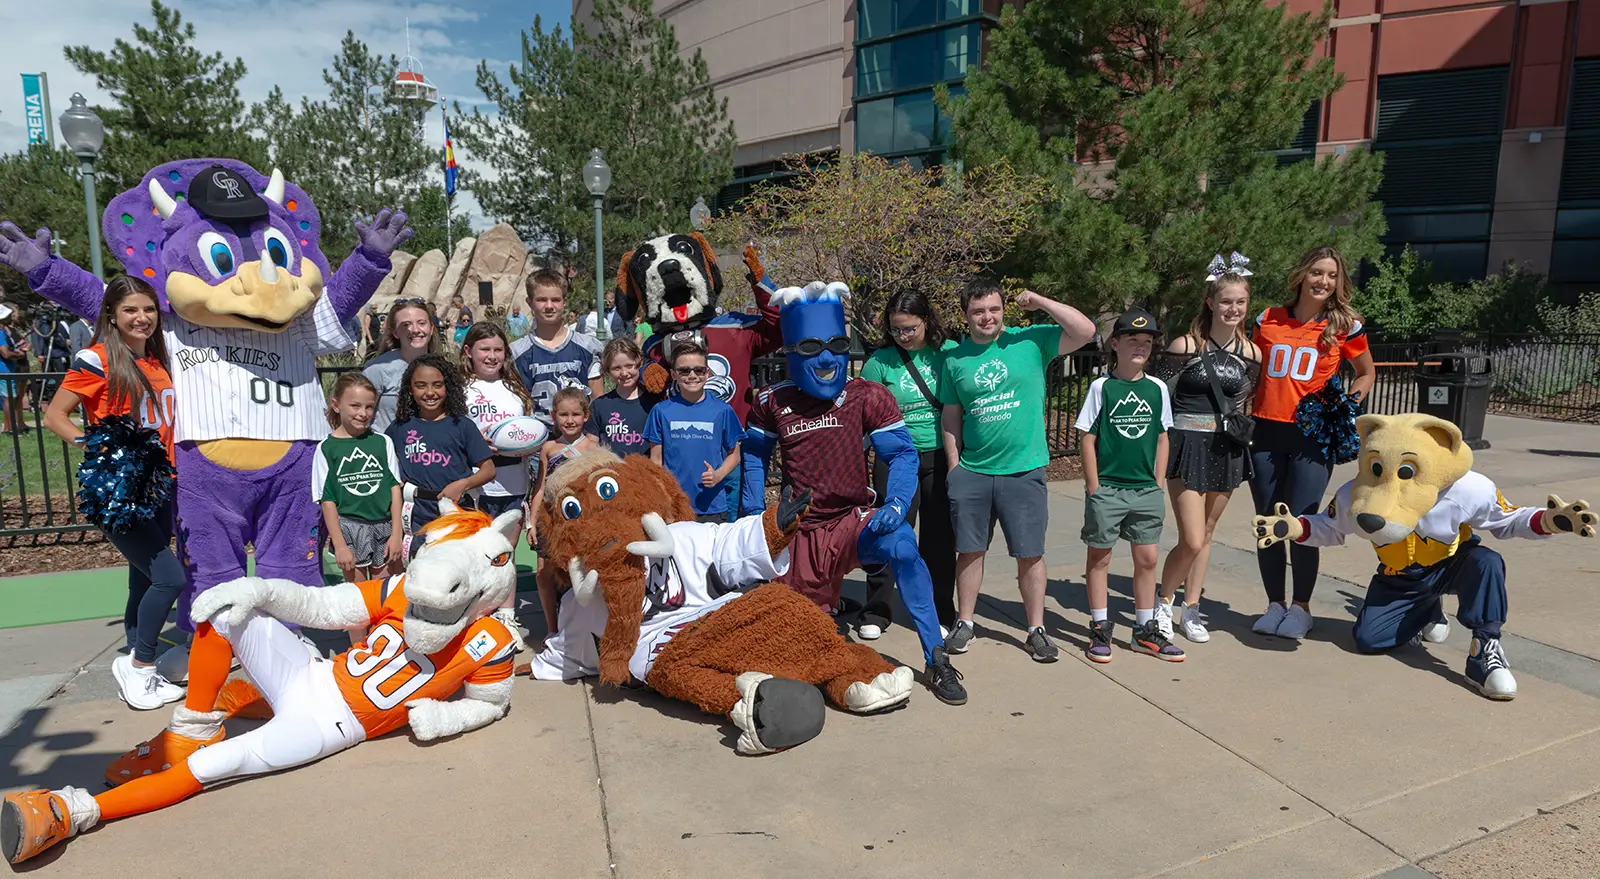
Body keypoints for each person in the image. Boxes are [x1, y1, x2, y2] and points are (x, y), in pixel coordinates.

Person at [741, 281, 966, 705]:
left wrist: (896, 502)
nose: (827, 358)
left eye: (838, 345)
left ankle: (937, 658)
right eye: (811, 347)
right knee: (800, 638)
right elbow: (753, 455)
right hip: (802, 530)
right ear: (790, 350)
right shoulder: (772, 400)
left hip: (852, 522)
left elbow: (901, 453)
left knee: (903, 547)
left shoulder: (866, 395)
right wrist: (756, 515)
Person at [42, 276, 184, 709]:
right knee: (170, 578)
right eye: (130, 310)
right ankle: (140, 665)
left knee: (144, 576)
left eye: (148, 309)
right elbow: (55, 415)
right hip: (122, 489)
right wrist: (99, 449)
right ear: (112, 314)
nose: (141, 318)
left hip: (161, 484)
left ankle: (138, 653)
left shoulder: (159, 360)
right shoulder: (97, 359)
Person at [938, 281, 1097, 662]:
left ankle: (1036, 629)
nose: (987, 317)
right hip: (974, 471)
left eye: (994, 309)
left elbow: (1086, 331)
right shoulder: (955, 359)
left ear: (1003, 310)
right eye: (978, 311)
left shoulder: (1031, 341)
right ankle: (965, 622)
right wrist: (954, 467)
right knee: (969, 551)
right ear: (966, 315)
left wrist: (1040, 301)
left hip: (1023, 470)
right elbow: (951, 415)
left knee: (1030, 553)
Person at [1248, 245, 1376, 639]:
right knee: (1268, 520)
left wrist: (1346, 406)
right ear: (1302, 274)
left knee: (1302, 521)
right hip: (1266, 431)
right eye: (1317, 272)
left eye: (1332, 275)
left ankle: (1301, 608)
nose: (1324, 281)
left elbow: (1366, 373)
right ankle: (1274, 604)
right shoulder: (1268, 318)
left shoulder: (1346, 325)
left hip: (1312, 437)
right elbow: (1250, 368)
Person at [1149, 255, 1262, 643]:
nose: (1234, 309)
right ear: (1211, 302)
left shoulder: (1252, 353)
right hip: (1186, 447)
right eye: (1226, 301)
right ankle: (1163, 602)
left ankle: (1191, 608)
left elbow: (1243, 398)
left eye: (1241, 302)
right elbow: (1158, 396)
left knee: (1208, 534)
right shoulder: (1185, 345)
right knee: (1192, 538)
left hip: (1226, 448)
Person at [1075, 309, 1182, 663]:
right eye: (1132, 340)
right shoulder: (1102, 387)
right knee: (1100, 557)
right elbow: (1087, 438)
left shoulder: (1157, 389)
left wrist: (1158, 482)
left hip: (1145, 490)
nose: (1140, 347)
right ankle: (1100, 626)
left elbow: (1163, 437)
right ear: (1115, 344)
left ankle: (1143, 629)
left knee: (1147, 558)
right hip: (1108, 488)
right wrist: (1094, 486)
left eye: (1147, 342)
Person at [856, 290, 957, 641]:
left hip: (939, 455)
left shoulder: (947, 353)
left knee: (939, 538)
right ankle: (876, 610)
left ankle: (939, 609)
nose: (903, 336)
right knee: (888, 531)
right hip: (895, 458)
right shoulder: (880, 362)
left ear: (926, 321)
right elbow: (862, 414)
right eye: (896, 329)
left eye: (910, 328)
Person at [385, 355, 496, 553]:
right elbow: (386, 462)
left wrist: (463, 484)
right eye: (421, 385)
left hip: (457, 510)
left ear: (448, 387)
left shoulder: (462, 425)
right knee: (419, 565)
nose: (430, 392)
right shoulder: (399, 427)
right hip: (416, 513)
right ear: (410, 389)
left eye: (437, 385)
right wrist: (395, 477)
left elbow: (488, 470)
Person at [313, 372, 403, 584]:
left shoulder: (383, 442)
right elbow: (327, 500)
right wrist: (340, 545)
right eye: (355, 406)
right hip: (350, 529)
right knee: (358, 594)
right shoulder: (326, 448)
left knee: (386, 590)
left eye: (369, 407)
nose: (363, 413)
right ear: (336, 405)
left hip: (385, 526)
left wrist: (396, 534)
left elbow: (394, 490)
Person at [529, 386, 601, 633]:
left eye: (575, 414)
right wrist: (532, 522)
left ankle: (582, 628)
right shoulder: (549, 448)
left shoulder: (593, 446)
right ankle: (552, 630)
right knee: (543, 573)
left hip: (582, 521)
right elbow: (540, 488)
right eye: (563, 415)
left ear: (586, 416)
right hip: (551, 519)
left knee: (579, 573)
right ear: (553, 416)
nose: (570, 420)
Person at [645, 341, 741, 523]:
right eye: (684, 370)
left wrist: (718, 475)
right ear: (673, 374)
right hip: (674, 505)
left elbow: (735, 455)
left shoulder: (722, 410)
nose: (692, 375)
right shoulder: (661, 411)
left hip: (711, 505)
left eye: (699, 370)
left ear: (707, 373)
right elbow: (656, 461)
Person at [460, 323, 537, 518]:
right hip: (476, 489)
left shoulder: (516, 389)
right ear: (468, 351)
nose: (492, 356)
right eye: (485, 349)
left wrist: (530, 443)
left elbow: (528, 430)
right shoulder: (460, 389)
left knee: (510, 538)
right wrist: (474, 442)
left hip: (515, 485)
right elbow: (449, 435)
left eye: (498, 350)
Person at [510, 270, 604, 422]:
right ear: (529, 302)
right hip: (536, 432)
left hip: (580, 433)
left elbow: (598, 401)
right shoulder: (516, 351)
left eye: (555, 300)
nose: (549, 306)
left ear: (564, 301)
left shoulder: (588, 346)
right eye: (541, 300)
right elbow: (516, 404)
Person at [364, 298, 439, 433]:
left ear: (431, 328)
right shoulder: (377, 369)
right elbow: (360, 416)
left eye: (421, 323)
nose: (415, 330)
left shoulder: (442, 367)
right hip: (389, 444)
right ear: (395, 332)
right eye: (406, 325)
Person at [587, 336, 658, 458]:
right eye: (616, 368)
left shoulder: (654, 404)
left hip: (644, 468)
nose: (624, 373)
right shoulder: (599, 405)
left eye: (629, 366)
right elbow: (591, 444)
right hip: (610, 468)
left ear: (639, 363)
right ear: (607, 371)